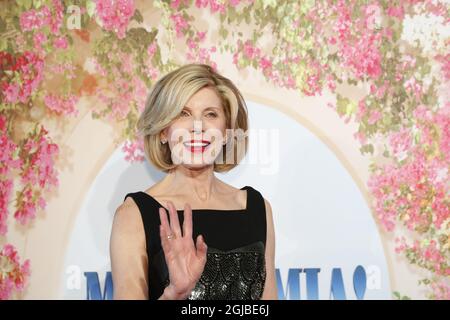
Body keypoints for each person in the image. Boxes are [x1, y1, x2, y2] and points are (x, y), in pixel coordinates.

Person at [110, 63, 277, 300]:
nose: (197, 127)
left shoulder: (257, 209)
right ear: (163, 131)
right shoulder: (134, 215)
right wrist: (173, 295)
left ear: (227, 131)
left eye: (210, 114)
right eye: (183, 113)